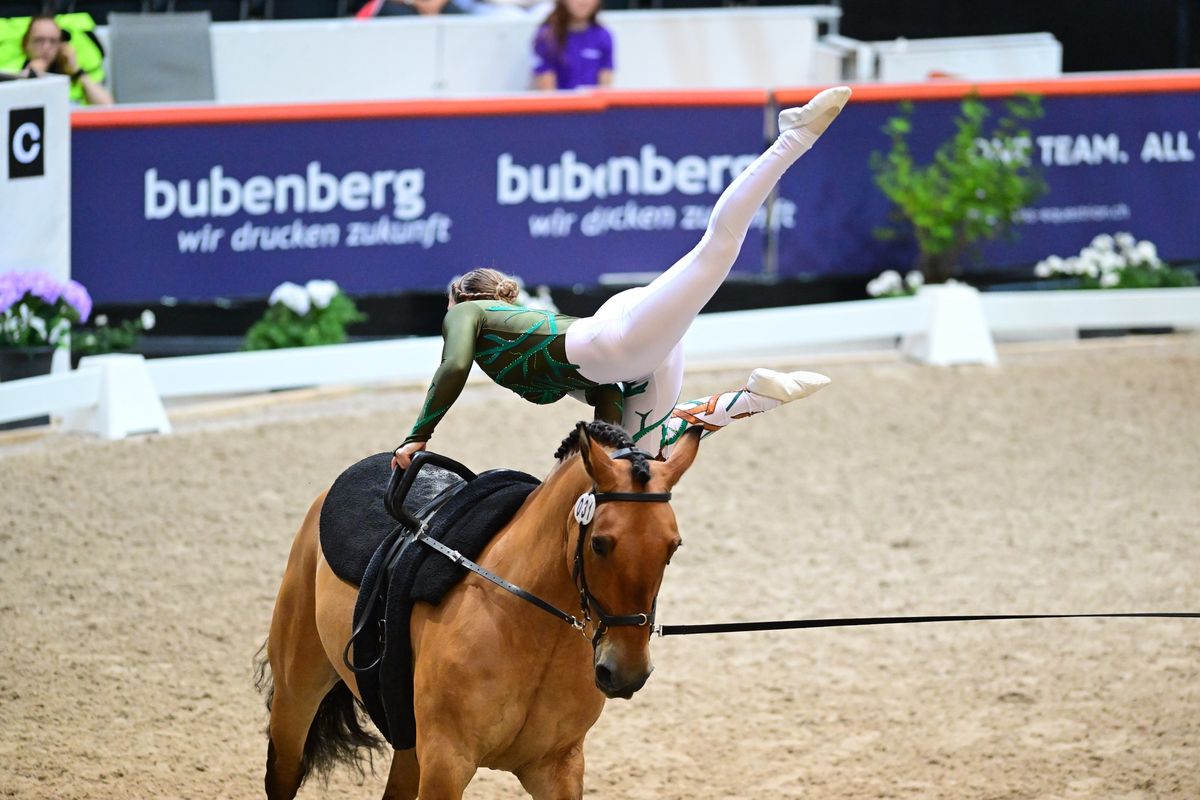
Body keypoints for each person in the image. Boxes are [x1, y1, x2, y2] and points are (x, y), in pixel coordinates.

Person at [393, 86, 852, 470]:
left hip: (622, 338)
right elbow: (602, 391)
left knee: (717, 249)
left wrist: (418, 436)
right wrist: (609, 443)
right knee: (646, 461)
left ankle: (794, 137)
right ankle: (755, 397)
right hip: (628, 356)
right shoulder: (515, 346)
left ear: (463, 297)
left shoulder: (468, 312)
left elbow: (452, 367)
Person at [19, 16, 113, 107]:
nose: (46, 47)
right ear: (26, 43)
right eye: (39, 40)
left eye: (53, 41)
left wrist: (77, 71)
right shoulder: (14, 68)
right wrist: (31, 77)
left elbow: (108, 107)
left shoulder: (71, 69)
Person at [532, 0, 612, 91]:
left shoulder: (603, 36)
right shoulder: (547, 36)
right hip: (560, 103)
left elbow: (605, 88)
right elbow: (548, 93)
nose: (583, 2)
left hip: (592, 103)